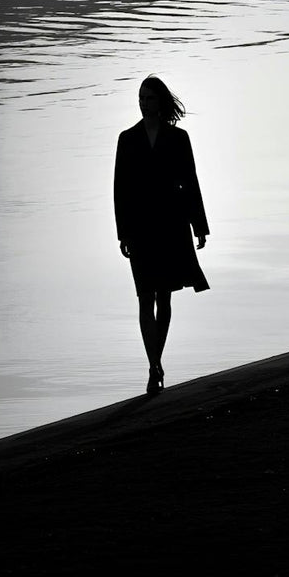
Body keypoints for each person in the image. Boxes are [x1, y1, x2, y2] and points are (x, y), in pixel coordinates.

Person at [114, 75, 210, 395]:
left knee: (164, 298)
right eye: (140, 97)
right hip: (140, 229)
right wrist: (122, 233)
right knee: (145, 297)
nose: (143, 103)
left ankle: (156, 360)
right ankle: (154, 364)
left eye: (149, 98)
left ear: (160, 101)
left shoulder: (178, 138)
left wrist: (200, 226)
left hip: (170, 226)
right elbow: (121, 190)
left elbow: (190, 182)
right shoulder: (127, 139)